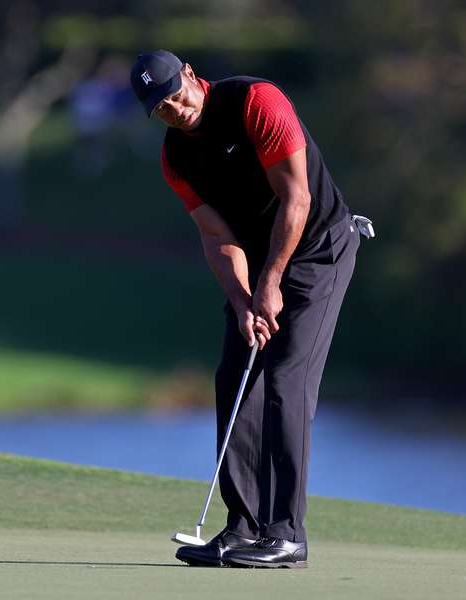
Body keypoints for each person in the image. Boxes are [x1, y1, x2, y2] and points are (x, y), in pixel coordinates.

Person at [130, 50, 364, 568]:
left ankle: (286, 535)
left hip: (320, 250)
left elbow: (296, 199)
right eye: (160, 107)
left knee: (284, 381)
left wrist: (272, 283)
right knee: (235, 376)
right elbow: (216, 237)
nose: (173, 108)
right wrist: (242, 301)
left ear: (191, 74)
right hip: (259, 261)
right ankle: (244, 527)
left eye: (176, 93)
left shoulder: (256, 101)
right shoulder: (177, 157)